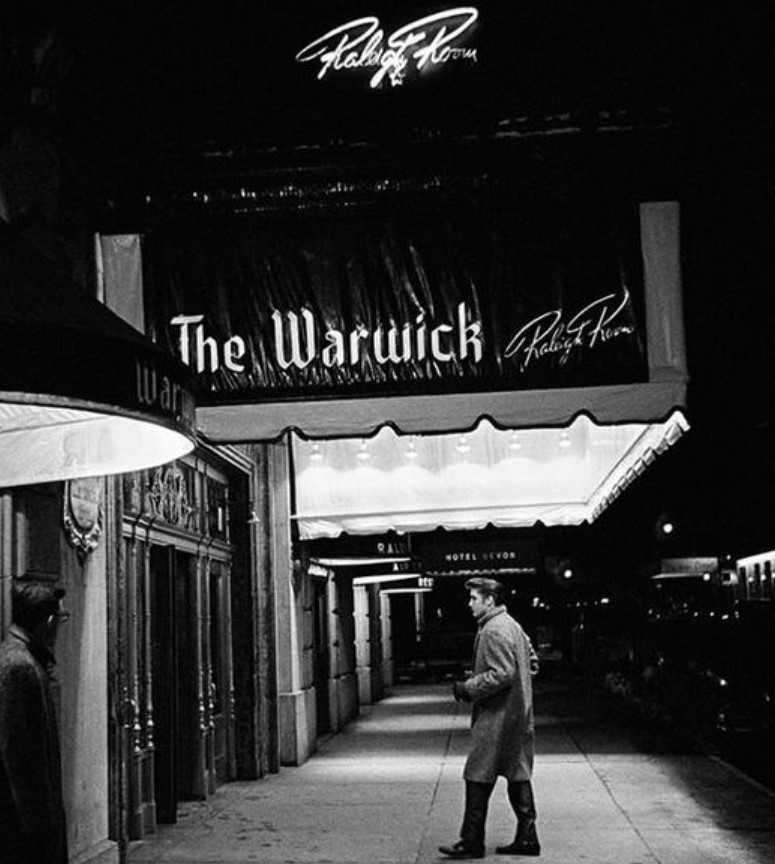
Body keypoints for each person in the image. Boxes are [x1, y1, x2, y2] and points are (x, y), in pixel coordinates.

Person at [439, 577, 540, 859]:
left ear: (489, 600)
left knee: (477, 776)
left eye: (474, 598)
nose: (469, 603)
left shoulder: (493, 630)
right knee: (518, 775)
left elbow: (501, 674)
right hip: (517, 715)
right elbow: (531, 663)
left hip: (497, 718)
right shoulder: (513, 625)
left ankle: (472, 841)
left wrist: (467, 689)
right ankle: (528, 837)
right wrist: (521, 691)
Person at [0, 581, 69, 864]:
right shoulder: (20, 664)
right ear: (48, 621)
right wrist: (37, 821)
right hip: (25, 820)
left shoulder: (21, 656)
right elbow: (12, 751)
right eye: (61, 618)